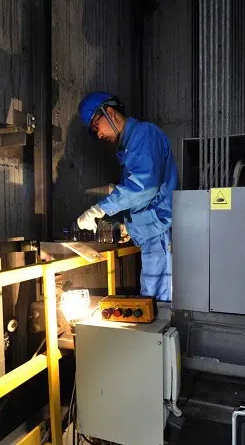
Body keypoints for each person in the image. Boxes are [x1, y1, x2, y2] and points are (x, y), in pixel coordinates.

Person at [76, 92, 178, 303]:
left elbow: (143, 186)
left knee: (158, 304)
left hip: (158, 234)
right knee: (153, 301)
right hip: (152, 234)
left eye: (96, 126)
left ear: (110, 113)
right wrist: (128, 227)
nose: (98, 134)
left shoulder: (143, 134)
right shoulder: (133, 143)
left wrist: (99, 209)